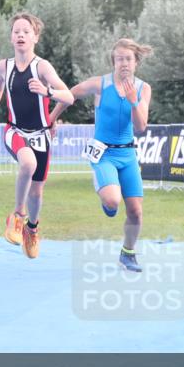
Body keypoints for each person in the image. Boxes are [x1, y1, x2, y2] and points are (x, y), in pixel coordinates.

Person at [50, 38, 152, 272]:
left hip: (127, 155)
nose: (124, 63)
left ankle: (128, 253)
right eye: (119, 59)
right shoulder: (100, 84)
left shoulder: (143, 89)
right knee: (113, 200)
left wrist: (133, 101)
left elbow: (140, 126)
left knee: (136, 212)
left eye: (128, 59)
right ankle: (107, 198)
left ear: (136, 62)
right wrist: (52, 118)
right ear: (113, 62)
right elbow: (69, 95)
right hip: (103, 153)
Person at [0, 12, 74, 259]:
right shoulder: (4, 66)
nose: (20, 35)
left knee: (37, 192)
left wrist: (47, 92)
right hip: (15, 129)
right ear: (11, 37)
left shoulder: (42, 67)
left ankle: (32, 228)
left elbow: (69, 97)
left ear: (35, 38)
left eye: (26, 31)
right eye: (16, 31)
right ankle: (18, 216)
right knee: (28, 164)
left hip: (40, 134)